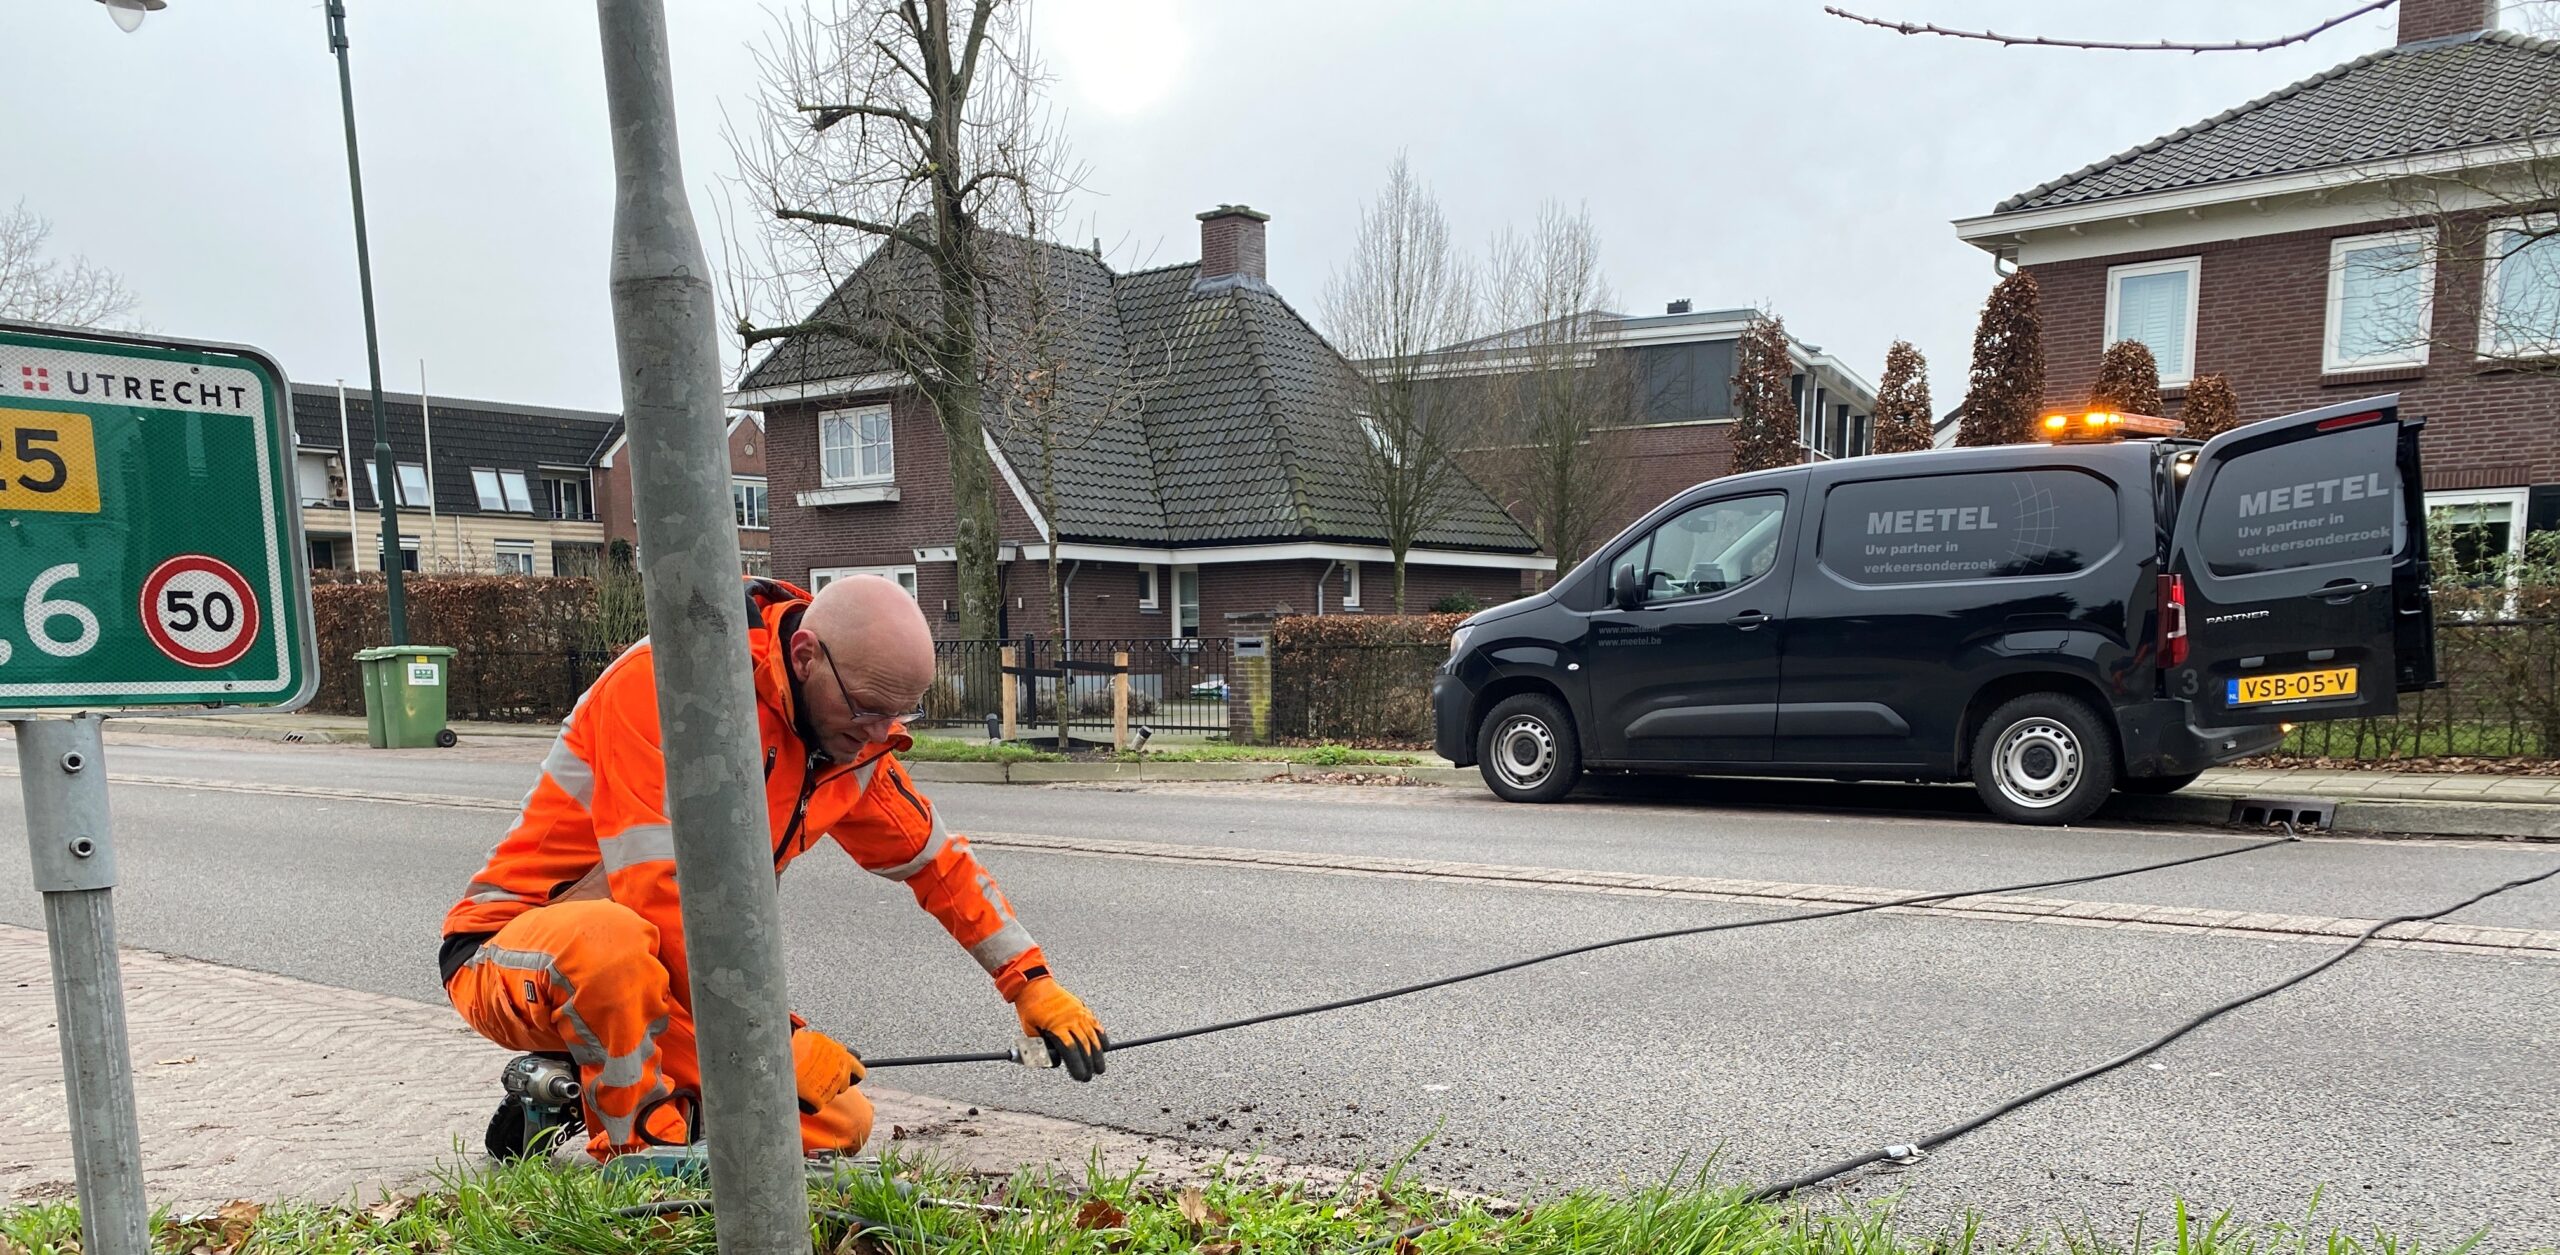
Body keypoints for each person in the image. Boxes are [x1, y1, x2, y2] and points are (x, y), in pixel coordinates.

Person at [435, 574, 1107, 1159]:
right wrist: (769, 1043)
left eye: (900, 716)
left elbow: (937, 864)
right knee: (611, 944)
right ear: (808, 656)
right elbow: (662, 900)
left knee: (839, 1122)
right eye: (869, 709)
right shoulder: (671, 686)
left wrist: (1031, 983)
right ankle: (642, 1177)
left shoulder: (845, 741)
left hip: (658, 973)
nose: (881, 735)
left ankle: (569, 1092)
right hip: (513, 950)